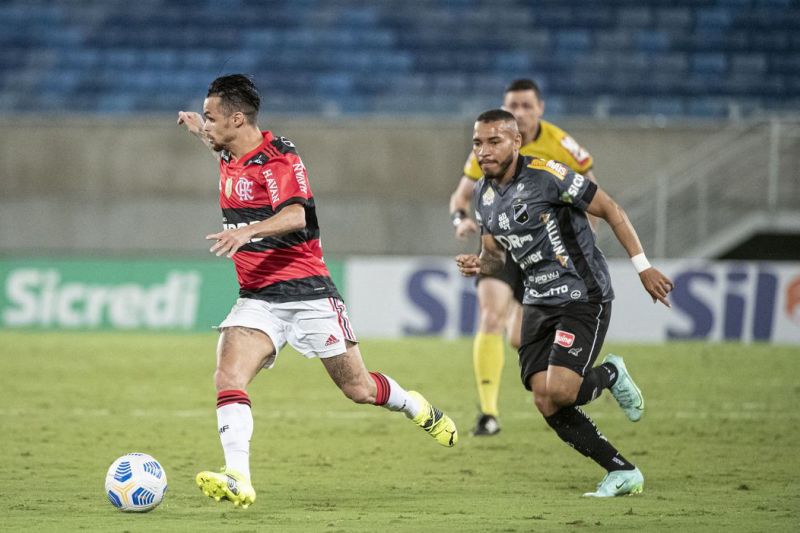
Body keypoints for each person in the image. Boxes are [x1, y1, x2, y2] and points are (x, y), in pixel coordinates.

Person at [177, 74, 458, 509]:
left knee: (359, 389)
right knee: (228, 375)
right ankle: (238, 476)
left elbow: (295, 216)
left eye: (213, 118)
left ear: (237, 119)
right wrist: (198, 126)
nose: (209, 126)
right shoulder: (228, 148)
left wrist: (248, 232)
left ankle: (414, 405)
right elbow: (212, 140)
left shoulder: (279, 159)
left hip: (308, 293)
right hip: (258, 299)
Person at [455, 109, 673, 497]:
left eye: (493, 141)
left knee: (562, 390)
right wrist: (478, 263)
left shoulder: (548, 174)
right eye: (477, 143)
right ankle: (622, 471)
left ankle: (610, 375)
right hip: (537, 300)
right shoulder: (483, 196)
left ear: (516, 141)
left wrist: (643, 268)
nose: (483, 151)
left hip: (582, 294)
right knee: (544, 398)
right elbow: (495, 255)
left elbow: (609, 208)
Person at [449, 79, 598, 436]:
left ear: (540, 109)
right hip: (499, 245)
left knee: (518, 338)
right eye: (513, 105)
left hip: (546, 253)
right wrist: (461, 220)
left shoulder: (560, 144)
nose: (520, 111)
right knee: (489, 316)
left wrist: (585, 241)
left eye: (527, 105)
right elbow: (460, 196)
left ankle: (564, 377)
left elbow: (592, 191)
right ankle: (488, 414)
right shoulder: (487, 148)